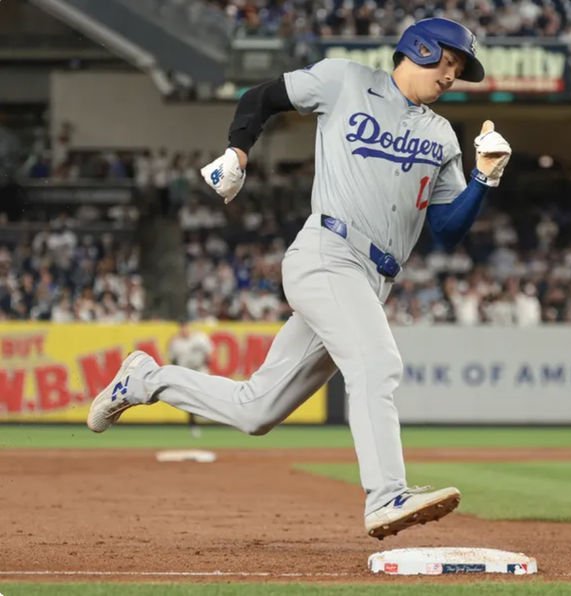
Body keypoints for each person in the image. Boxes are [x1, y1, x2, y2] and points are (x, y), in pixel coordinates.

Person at [87, 17, 511, 540]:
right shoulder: (345, 81)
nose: (452, 76)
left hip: (373, 280)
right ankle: (386, 495)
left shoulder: (441, 135)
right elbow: (260, 96)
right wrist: (238, 151)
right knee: (377, 363)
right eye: (448, 62)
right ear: (418, 48)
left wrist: (484, 178)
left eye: (459, 70)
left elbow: (446, 233)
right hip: (327, 253)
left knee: (257, 410)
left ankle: (146, 379)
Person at [167, 319, 213, 437]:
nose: (184, 329)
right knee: (189, 399)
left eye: (185, 326)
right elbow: (172, 360)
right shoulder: (175, 343)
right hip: (186, 373)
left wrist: (207, 364)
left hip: (200, 369)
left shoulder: (200, 337)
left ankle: (205, 414)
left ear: (189, 326)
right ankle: (193, 425)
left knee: (207, 393)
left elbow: (210, 354)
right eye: (181, 327)